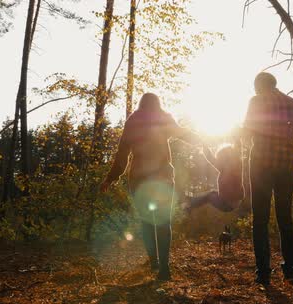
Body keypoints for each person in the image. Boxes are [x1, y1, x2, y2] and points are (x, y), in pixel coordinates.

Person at [100, 93, 201, 281]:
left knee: (147, 222)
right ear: (158, 103)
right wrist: (203, 141)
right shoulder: (164, 118)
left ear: (141, 104)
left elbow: (122, 153)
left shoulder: (133, 120)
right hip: (163, 180)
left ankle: (154, 261)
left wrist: (110, 178)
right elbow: (183, 134)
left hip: (140, 180)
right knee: (163, 222)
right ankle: (164, 268)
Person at [244, 72, 293, 285]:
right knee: (285, 217)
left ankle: (263, 272)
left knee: (260, 219)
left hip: (260, 167)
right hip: (285, 168)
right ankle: (289, 268)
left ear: (259, 85)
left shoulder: (256, 102)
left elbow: (247, 131)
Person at [184, 139, 244, 213]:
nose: (218, 162)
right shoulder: (223, 168)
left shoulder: (235, 167)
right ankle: (191, 201)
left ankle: (190, 204)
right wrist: (204, 146)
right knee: (212, 193)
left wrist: (238, 140)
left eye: (220, 159)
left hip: (228, 204)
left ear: (225, 159)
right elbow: (211, 159)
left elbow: (236, 153)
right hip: (229, 202)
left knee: (209, 196)